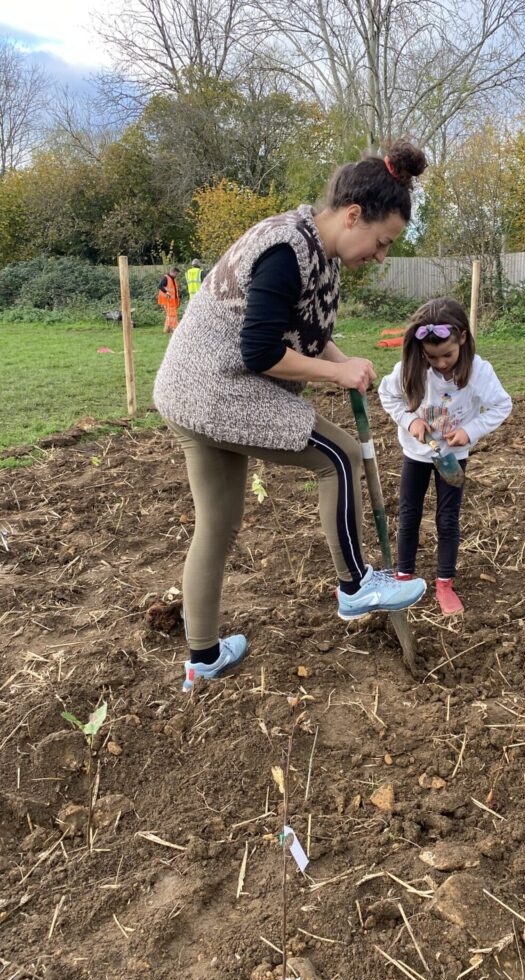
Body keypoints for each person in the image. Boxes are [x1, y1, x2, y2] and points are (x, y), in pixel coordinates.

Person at [153, 141, 429, 691]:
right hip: (216, 388)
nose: (380, 255)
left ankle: (203, 656)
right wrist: (338, 375)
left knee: (217, 522)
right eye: (381, 242)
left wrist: (341, 359)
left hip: (189, 393)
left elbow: (304, 333)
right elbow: (260, 352)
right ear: (354, 216)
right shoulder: (286, 247)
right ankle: (355, 588)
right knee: (339, 455)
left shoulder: (317, 252)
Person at [378, 297, 512, 615]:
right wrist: (412, 421)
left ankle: (444, 584)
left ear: (462, 338)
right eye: (432, 356)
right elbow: (387, 394)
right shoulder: (411, 368)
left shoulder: (479, 371)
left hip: (453, 456)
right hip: (417, 453)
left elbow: (502, 405)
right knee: (409, 514)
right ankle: (403, 577)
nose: (440, 363)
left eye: (447, 355)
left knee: (448, 518)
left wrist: (470, 431)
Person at [158, 267, 181, 333]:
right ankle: (174, 328)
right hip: (168, 301)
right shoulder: (166, 278)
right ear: (173, 272)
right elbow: (160, 286)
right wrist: (166, 292)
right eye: (176, 274)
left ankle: (168, 329)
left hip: (171, 301)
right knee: (172, 315)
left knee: (170, 315)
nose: (176, 275)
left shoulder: (172, 279)